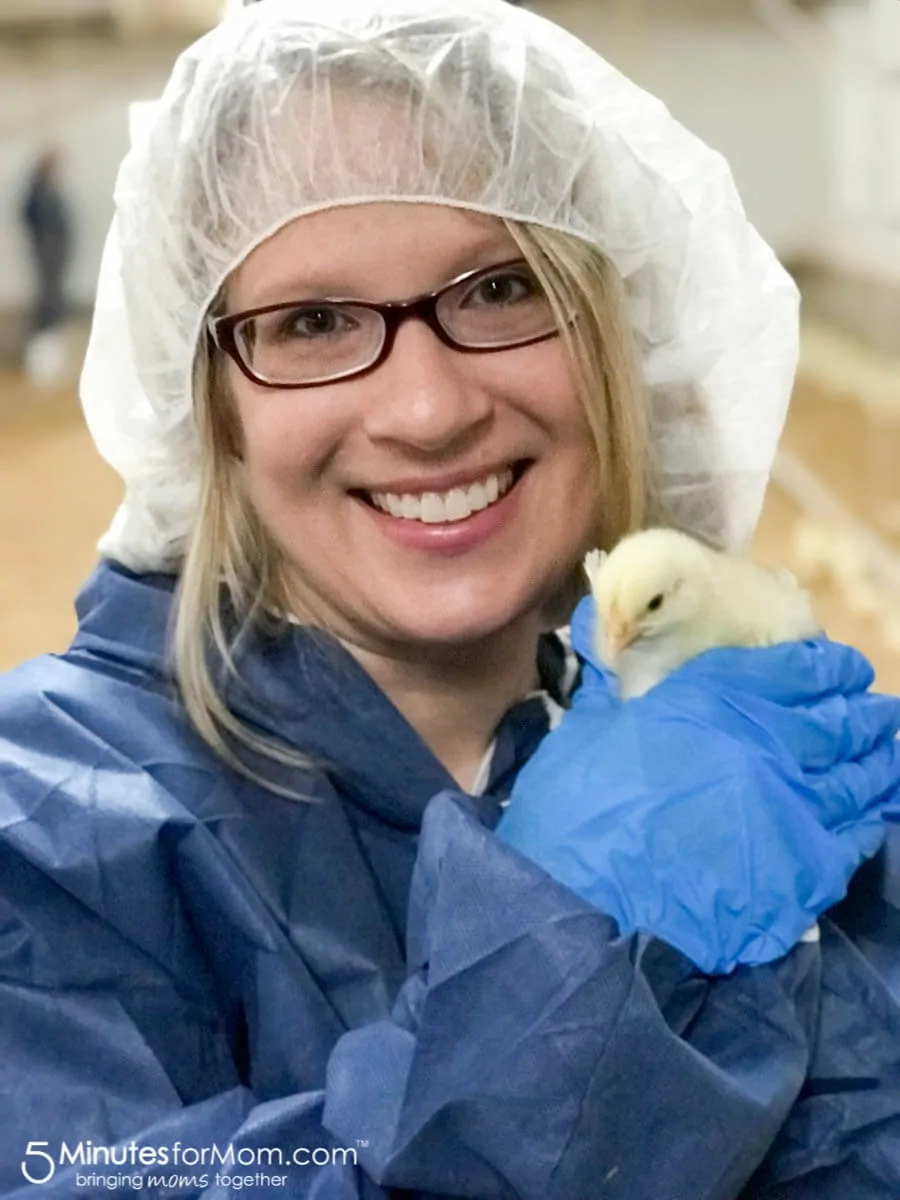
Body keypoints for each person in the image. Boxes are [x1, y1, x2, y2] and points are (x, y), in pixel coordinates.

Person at [0, 1, 899, 1196]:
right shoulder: (49, 847)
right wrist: (574, 952)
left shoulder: (785, 779)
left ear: (615, 337)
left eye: (498, 290)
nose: (428, 410)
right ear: (208, 396)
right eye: (312, 322)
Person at [19, 149, 72, 385]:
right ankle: (43, 360)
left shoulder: (48, 190)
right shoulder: (39, 192)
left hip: (54, 256)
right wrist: (45, 242)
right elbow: (30, 218)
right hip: (47, 256)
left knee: (53, 300)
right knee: (48, 303)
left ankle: (50, 358)